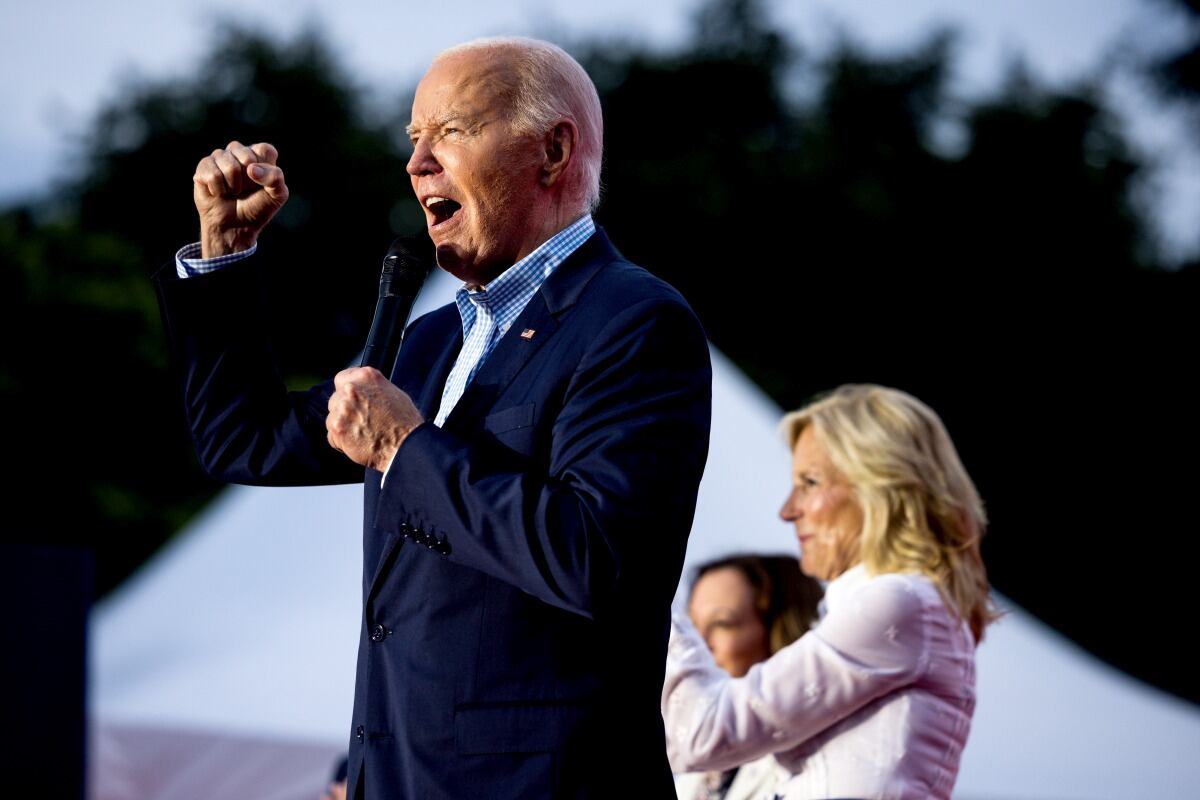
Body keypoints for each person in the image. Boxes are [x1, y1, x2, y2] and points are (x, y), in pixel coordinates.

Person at [154, 37, 712, 799]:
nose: (418, 163)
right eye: (414, 139)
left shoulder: (635, 322)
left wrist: (406, 448)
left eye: (450, 131)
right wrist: (225, 251)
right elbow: (243, 442)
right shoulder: (428, 341)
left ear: (552, 151)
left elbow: (598, 562)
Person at [662, 385, 995, 800]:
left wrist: (644, 583)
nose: (787, 510)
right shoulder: (909, 605)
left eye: (810, 482)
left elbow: (700, 732)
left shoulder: (900, 603)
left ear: (880, 485)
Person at [675, 554, 822, 800]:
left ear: (779, 632)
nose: (699, 646)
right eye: (692, 628)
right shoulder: (691, 762)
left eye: (721, 623)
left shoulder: (806, 763)